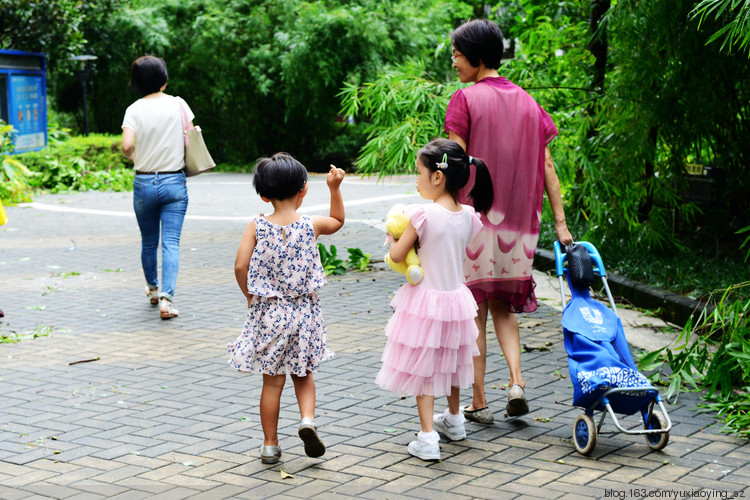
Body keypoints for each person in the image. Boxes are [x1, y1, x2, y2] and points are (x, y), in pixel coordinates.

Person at [445, 19, 574, 422]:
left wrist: (440, 213)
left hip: (476, 222)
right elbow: (547, 162)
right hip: (520, 228)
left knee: (475, 310)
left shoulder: (464, 100)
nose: (453, 62)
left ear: (477, 57)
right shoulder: (529, 102)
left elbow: (455, 163)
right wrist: (561, 223)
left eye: (457, 54)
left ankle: (480, 401)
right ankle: (517, 382)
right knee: (503, 308)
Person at [375, 138, 493, 461]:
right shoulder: (469, 216)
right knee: (453, 360)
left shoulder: (421, 215)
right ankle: (454, 420)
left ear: (437, 178)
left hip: (426, 301)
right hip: (456, 298)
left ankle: (427, 437)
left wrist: (399, 238)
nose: (416, 180)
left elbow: (397, 254)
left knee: (424, 368)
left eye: (418, 173)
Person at [228, 153, 345, 464]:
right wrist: (334, 187)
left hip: (269, 313)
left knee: (272, 380)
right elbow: (338, 221)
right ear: (303, 190)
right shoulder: (311, 224)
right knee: (304, 374)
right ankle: (307, 420)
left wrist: (249, 295)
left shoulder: (256, 225)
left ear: (264, 195)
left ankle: (269, 444)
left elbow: (240, 265)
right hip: (304, 312)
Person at [122, 55, 192, 319]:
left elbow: (127, 146)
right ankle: (167, 300)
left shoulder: (134, 109)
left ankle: (152, 290)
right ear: (163, 80)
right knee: (171, 243)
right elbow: (191, 137)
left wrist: (136, 157)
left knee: (149, 242)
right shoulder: (178, 104)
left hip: (143, 181)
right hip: (174, 181)